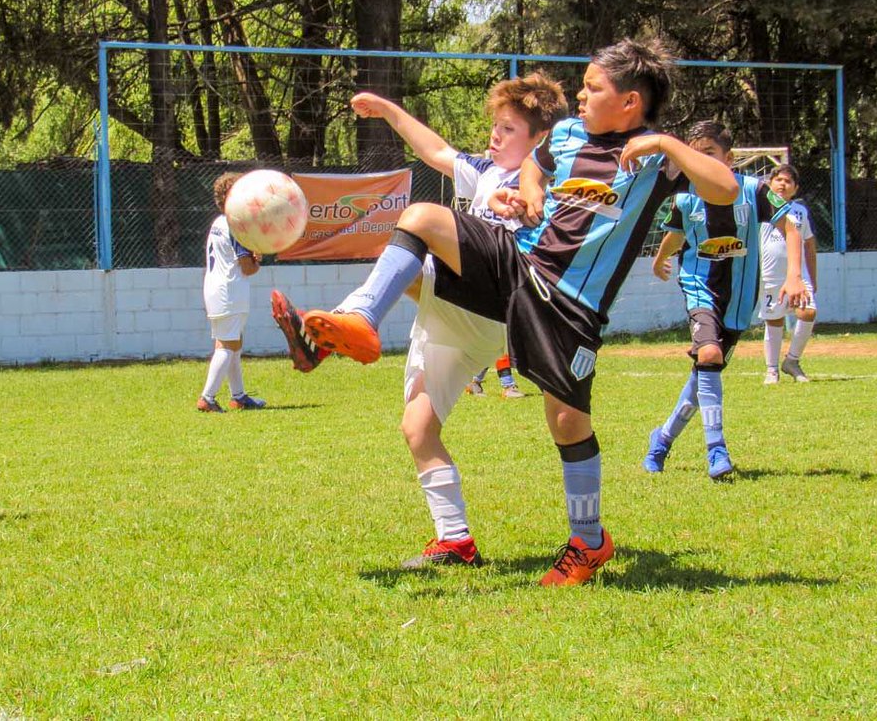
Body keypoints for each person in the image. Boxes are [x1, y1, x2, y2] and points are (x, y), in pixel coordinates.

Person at [279, 38, 795, 586]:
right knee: (424, 216)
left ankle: (588, 542)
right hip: (520, 267)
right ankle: (359, 317)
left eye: (594, 88)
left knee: (567, 421)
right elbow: (534, 169)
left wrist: (666, 143)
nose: (581, 93)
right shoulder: (567, 135)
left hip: (573, 305)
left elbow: (725, 187)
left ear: (630, 101)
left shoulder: (655, 153)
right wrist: (525, 197)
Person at [277, 74, 566, 568]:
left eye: (510, 129)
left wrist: (526, 205)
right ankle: (456, 542)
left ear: (538, 140)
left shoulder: (547, 183)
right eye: (495, 126)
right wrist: (389, 110)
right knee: (417, 428)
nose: (496, 136)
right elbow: (436, 151)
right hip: (451, 319)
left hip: (495, 301)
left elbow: (547, 230)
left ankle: (357, 320)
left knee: (421, 219)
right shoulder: (484, 172)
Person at [643, 123, 804, 479]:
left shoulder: (753, 191)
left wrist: (794, 275)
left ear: (729, 159)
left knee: (703, 376)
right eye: (694, 155)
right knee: (710, 355)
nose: (700, 162)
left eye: (709, 154)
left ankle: (662, 439)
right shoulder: (684, 199)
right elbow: (675, 235)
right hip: (699, 288)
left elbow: (791, 226)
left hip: (739, 300)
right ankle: (717, 450)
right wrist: (659, 258)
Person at [198, 172, 265, 412]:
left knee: (233, 343)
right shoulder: (237, 225)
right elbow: (247, 267)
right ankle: (207, 397)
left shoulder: (218, 222)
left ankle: (239, 396)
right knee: (226, 346)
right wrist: (258, 260)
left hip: (216, 288)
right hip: (230, 290)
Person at [759, 164, 818, 383]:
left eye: (788, 181)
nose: (783, 184)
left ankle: (792, 360)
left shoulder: (800, 212)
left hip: (798, 276)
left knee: (808, 312)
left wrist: (813, 277)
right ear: (770, 184)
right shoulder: (761, 208)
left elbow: (810, 246)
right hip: (770, 275)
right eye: (779, 180)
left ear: (795, 188)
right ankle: (772, 369)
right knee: (774, 320)